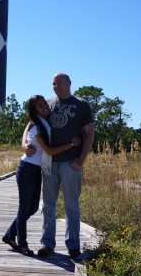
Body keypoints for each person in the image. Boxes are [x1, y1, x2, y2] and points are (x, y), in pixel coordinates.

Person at [23, 73, 94, 259]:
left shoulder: (81, 105)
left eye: (60, 83)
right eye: (54, 84)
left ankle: (73, 246)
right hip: (49, 163)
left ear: (69, 83)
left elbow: (89, 133)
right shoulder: (47, 105)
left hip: (71, 163)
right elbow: (30, 123)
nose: (57, 87)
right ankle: (47, 244)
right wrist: (24, 144)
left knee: (72, 206)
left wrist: (81, 160)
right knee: (48, 206)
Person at [3, 94, 82, 256]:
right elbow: (50, 151)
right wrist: (71, 144)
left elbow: (28, 125)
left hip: (37, 170)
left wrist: (24, 142)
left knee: (32, 208)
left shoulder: (42, 120)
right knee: (24, 208)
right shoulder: (38, 125)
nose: (45, 106)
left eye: (44, 103)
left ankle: (10, 235)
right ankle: (22, 245)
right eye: (40, 106)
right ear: (34, 110)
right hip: (26, 169)